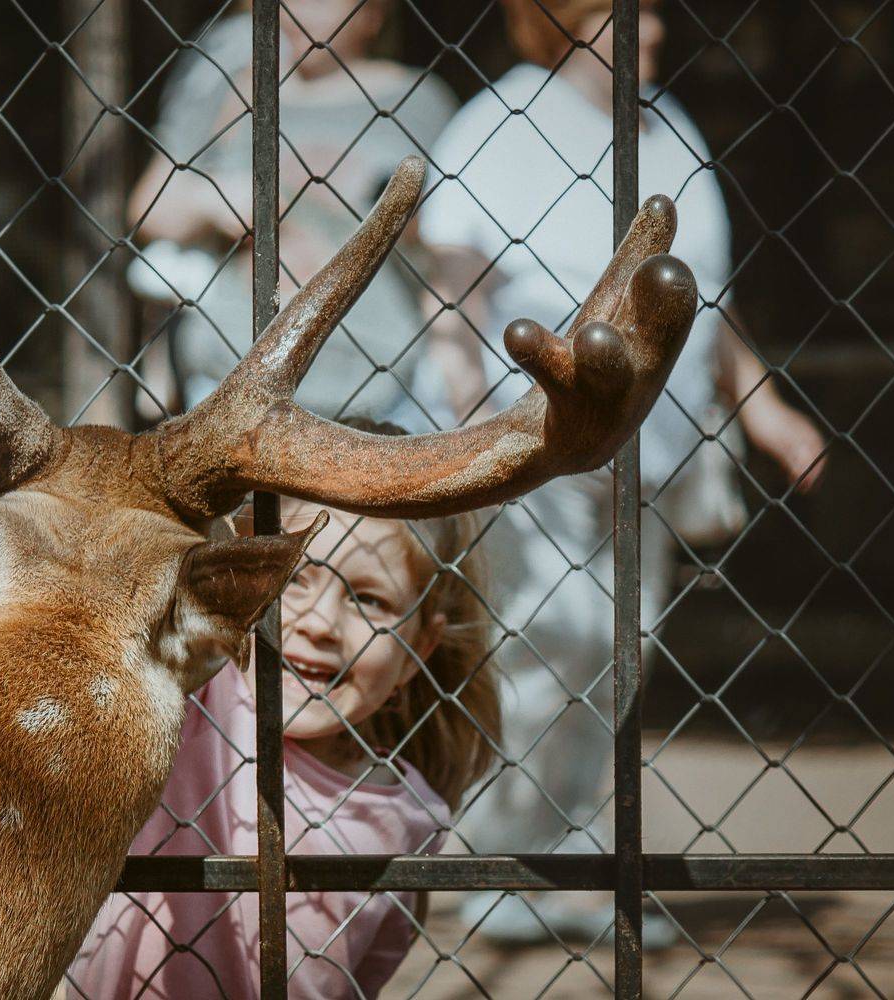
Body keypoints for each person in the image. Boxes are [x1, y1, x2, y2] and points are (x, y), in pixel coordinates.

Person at [418, 0, 827, 944]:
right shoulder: (501, 121)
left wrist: (761, 406)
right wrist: (466, 402)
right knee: (543, 642)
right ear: (562, 23)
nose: (651, 32)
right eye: (620, 17)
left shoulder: (668, 124)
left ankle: (581, 864)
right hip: (538, 447)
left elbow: (702, 301)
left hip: (652, 456)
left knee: (618, 656)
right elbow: (453, 287)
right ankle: (501, 864)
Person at [67, 420, 500, 998]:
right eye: (294, 578)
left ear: (419, 649)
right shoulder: (196, 696)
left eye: (368, 599)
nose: (320, 623)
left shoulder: (411, 820)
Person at [126, 0, 460, 431]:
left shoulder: (418, 99)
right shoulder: (233, 88)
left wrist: (371, 190)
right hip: (230, 370)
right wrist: (211, 198)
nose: (303, 9)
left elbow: (452, 239)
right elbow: (148, 209)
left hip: (377, 378)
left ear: (374, 13)